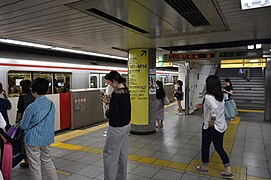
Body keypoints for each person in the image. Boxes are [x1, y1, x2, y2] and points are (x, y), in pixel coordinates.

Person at [195, 75, 233, 179]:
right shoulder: (220, 94)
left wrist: (212, 119)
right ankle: (228, 169)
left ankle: (204, 167)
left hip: (211, 127)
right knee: (219, 147)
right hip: (221, 126)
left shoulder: (208, 96)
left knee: (205, 146)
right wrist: (203, 107)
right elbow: (217, 106)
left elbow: (214, 107)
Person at [20, 78, 58, 180]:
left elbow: (23, 126)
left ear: (33, 89)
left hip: (33, 140)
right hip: (46, 139)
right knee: (47, 161)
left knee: (35, 166)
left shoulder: (32, 106)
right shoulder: (51, 104)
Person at [101, 71, 131, 180]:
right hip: (126, 126)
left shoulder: (116, 93)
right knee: (122, 155)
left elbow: (111, 114)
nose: (110, 86)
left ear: (114, 81)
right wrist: (111, 102)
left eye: (110, 83)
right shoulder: (126, 90)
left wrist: (106, 103)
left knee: (108, 154)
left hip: (116, 128)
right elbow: (121, 108)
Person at [16, 80, 35, 168]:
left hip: (24, 121)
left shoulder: (22, 97)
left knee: (24, 141)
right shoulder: (34, 96)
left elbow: (20, 111)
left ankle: (27, 160)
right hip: (33, 121)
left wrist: (17, 121)